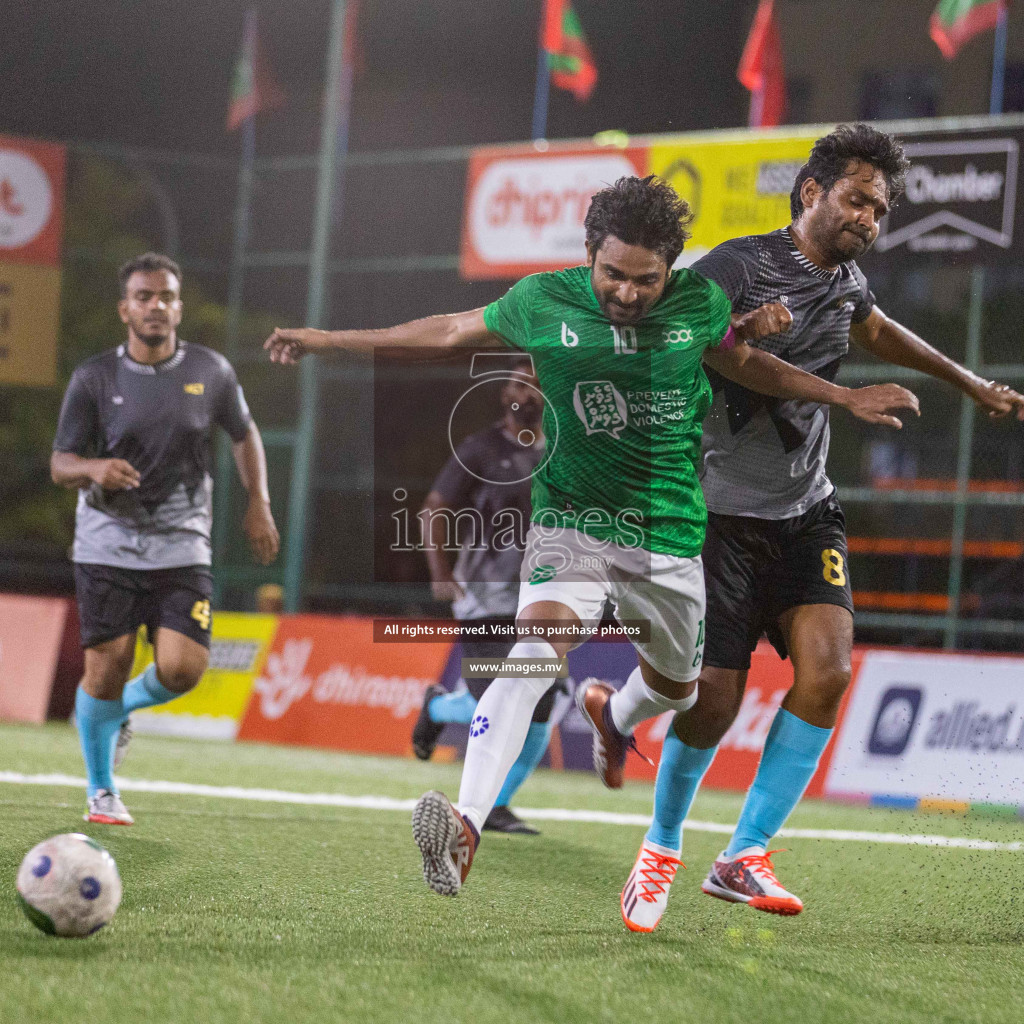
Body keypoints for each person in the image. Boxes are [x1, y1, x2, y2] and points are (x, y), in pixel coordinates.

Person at [265, 175, 916, 898]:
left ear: (672, 268)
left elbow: (742, 361)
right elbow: (448, 329)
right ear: (588, 254)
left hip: (668, 533)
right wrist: (326, 340)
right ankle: (466, 823)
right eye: (613, 274)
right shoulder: (543, 299)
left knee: (675, 689)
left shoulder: (698, 302)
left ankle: (614, 712)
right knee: (533, 653)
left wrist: (842, 393)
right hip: (571, 518)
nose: (629, 294)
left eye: (646, 279)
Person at [623, 124, 1024, 932]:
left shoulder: (846, 281)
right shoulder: (734, 267)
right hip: (718, 518)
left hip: (805, 510)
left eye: (879, 209)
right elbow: (727, 356)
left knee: (830, 670)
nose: (869, 219)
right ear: (811, 192)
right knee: (715, 702)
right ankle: (660, 847)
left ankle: (745, 853)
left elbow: (875, 332)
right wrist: (844, 398)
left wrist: (969, 381)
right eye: (857, 200)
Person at [52, 252, 280, 826]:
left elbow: (244, 434)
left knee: (184, 669)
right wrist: (94, 469)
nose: (157, 306)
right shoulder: (94, 377)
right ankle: (102, 791)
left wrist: (259, 503)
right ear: (125, 308)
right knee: (108, 665)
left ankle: (118, 712)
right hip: (108, 542)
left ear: (178, 307)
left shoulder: (212, 371)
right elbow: (59, 463)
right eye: (145, 296)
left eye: (168, 297)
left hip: (182, 541)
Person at [411, 357, 558, 835]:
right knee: (494, 699)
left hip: (541, 598)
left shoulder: (561, 449)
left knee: (543, 701)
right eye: (519, 382)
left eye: (537, 383)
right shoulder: (480, 448)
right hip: (485, 595)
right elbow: (434, 508)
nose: (528, 390)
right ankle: (437, 708)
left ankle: (496, 805)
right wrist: (440, 571)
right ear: (504, 394)